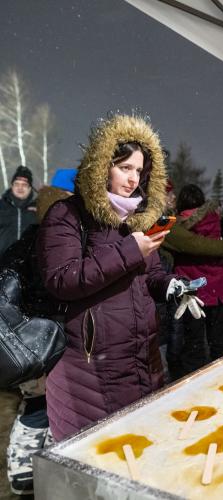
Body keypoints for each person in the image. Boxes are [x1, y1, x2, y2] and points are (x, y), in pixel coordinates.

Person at [37, 114, 188, 441]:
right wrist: (129, 251)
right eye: (124, 167)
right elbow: (62, 280)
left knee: (139, 453)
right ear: (102, 164)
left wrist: (170, 285)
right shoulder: (67, 214)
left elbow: (149, 275)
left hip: (141, 361)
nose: (133, 179)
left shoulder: (135, 218)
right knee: (98, 464)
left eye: (139, 170)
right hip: (90, 371)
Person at [1, 170, 76, 495]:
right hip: (51, 342)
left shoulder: (28, 239)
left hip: (30, 346)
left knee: (37, 404)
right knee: (48, 406)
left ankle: (23, 469)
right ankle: (34, 469)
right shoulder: (61, 243)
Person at [173, 184, 223, 372]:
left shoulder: (178, 226)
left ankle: (194, 383)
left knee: (194, 344)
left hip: (192, 291)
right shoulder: (214, 219)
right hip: (217, 288)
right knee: (218, 341)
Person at [0, 166, 37, 258]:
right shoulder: (1, 206)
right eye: (17, 184)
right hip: (2, 260)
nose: (20, 188)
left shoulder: (38, 209)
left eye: (24, 185)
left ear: (30, 188)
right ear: (12, 186)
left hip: (28, 264)